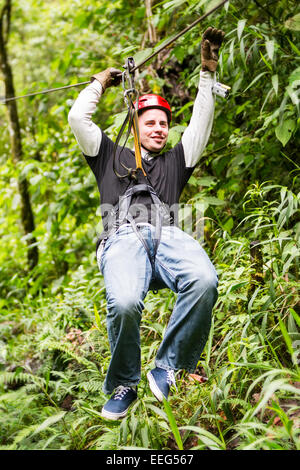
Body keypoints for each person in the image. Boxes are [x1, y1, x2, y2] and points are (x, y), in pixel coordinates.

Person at [68, 27, 225, 420]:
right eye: (149, 122)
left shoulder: (176, 162)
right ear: (135, 124)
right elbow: (77, 118)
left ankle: (170, 366)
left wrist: (207, 72)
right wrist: (99, 83)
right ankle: (123, 383)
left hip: (168, 235)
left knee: (204, 280)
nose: (158, 129)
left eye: (163, 124)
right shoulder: (108, 155)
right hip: (121, 237)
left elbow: (201, 122)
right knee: (123, 303)